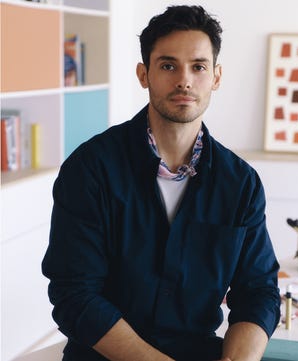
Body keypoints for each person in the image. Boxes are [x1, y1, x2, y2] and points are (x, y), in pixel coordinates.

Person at [42, 5, 280, 361]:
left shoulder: (240, 182)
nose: (184, 80)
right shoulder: (90, 169)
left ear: (216, 77)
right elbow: (75, 294)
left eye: (198, 67)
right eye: (168, 66)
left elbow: (258, 291)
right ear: (144, 74)